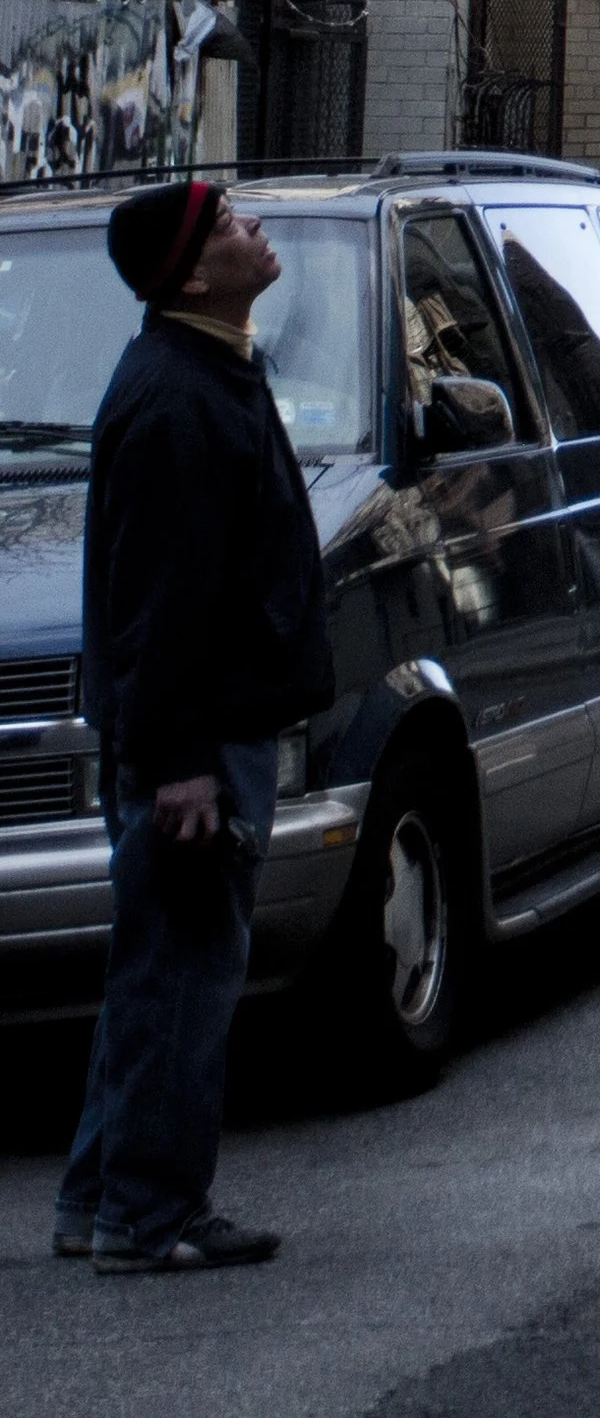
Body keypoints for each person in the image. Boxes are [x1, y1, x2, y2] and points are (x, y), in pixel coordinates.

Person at [54, 177, 332, 1273]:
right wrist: (179, 765)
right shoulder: (178, 399)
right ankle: (151, 1214)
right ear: (189, 274)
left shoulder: (208, 367)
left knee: (156, 965)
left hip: (201, 730)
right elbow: (157, 605)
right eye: (227, 225)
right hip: (197, 743)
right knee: (185, 973)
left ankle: (98, 1196)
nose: (252, 229)